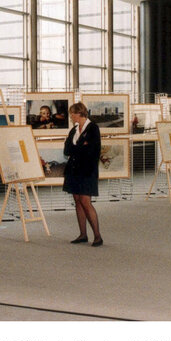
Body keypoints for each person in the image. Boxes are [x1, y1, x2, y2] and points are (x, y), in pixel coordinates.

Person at [63, 102, 103, 247]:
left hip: (87, 171)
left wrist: (78, 149)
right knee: (77, 201)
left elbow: (93, 151)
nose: (71, 116)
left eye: (72, 114)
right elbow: (66, 150)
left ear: (79, 113)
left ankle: (97, 236)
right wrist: (81, 147)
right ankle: (83, 234)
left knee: (86, 202)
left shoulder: (93, 128)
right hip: (74, 170)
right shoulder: (73, 130)